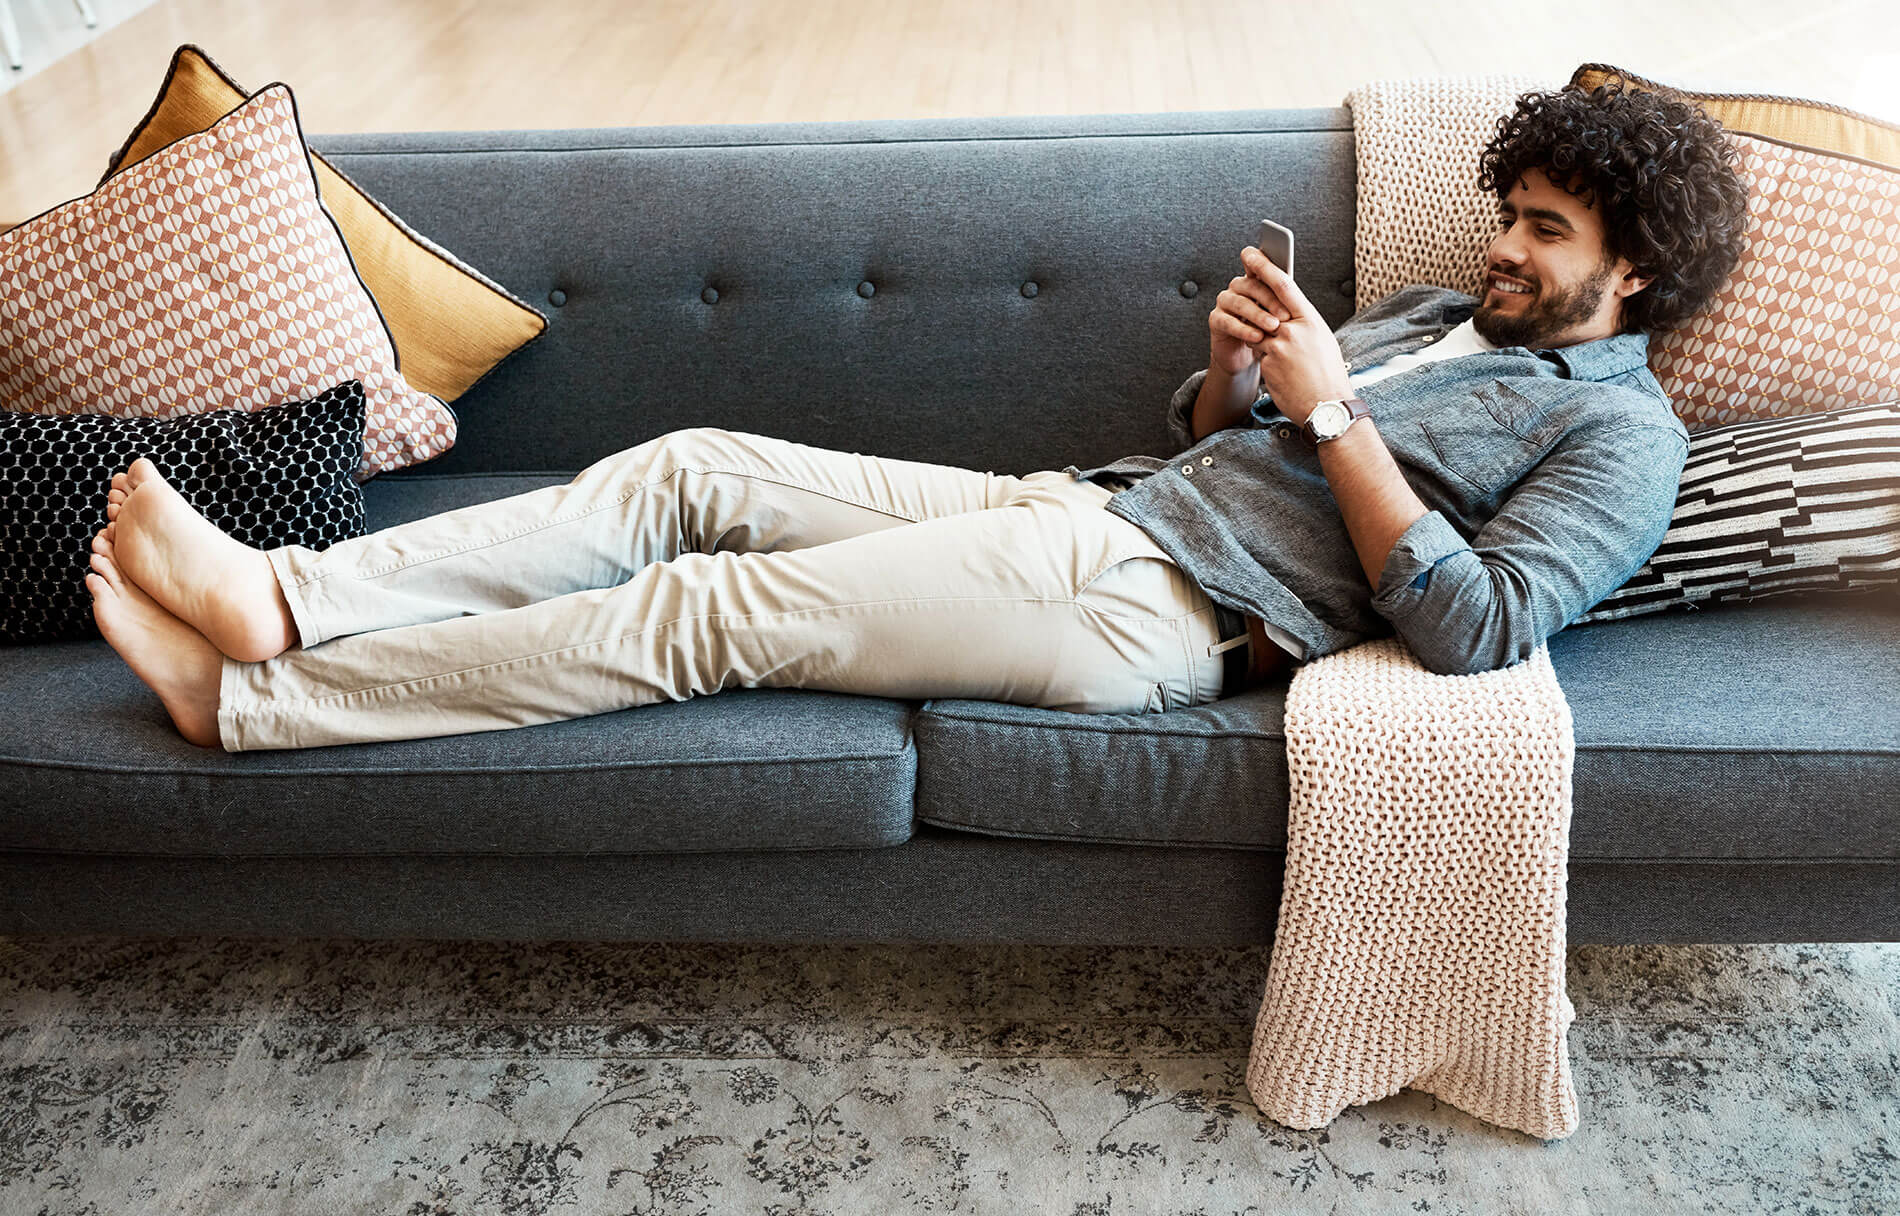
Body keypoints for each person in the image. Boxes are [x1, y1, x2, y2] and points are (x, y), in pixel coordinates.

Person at [86, 80, 1749, 752]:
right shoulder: (1449, 316)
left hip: (1160, 612)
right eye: (1509, 212)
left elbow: (1479, 627)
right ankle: (289, 595)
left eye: (1548, 233)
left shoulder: (1623, 440)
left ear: (1640, 276)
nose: (1502, 251)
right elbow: (1210, 440)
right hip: (1091, 511)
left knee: (708, 609)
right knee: (688, 470)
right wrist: (1242, 381)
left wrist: (1333, 423)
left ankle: (258, 704)